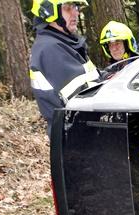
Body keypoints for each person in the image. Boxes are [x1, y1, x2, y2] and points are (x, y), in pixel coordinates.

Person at [29, 0, 100, 134]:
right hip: (76, 134)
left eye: (75, 7)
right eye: (68, 8)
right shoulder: (49, 50)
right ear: (48, 12)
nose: (76, 13)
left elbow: (90, 79)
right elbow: (84, 99)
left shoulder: (63, 42)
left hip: (84, 129)